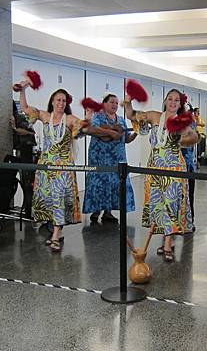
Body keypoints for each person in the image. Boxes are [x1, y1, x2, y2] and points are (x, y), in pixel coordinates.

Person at [123, 88, 199, 262]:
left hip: (174, 168)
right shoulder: (154, 116)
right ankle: (168, 239)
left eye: (176, 100)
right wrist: (128, 103)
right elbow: (132, 116)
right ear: (165, 101)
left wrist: (184, 139)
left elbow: (194, 137)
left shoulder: (181, 121)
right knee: (158, 204)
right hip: (155, 166)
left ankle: (166, 244)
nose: (173, 102)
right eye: (170, 99)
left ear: (180, 104)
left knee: (171, 204)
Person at [16, 82, 86, 252]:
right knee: (49, 200)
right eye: (58, 100)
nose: (61, 103)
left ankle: (55, 234)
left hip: (63, 167)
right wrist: (23, 90)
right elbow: (24, 108)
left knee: (59, 199)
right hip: (46, 166)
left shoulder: (69, 119)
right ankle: (57, 231)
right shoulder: (45, 116)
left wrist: (87, 118)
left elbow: (83, 128)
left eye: (64, 101)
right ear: (53, 101)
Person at [83, 93, 137, 224]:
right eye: (112, 102)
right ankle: (96, 210)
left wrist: (137, 132)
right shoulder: (98, 117)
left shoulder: (122, 120)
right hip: (100, 159)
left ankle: (108, 212)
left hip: (117, 160)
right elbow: (91, 130)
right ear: (104, 104)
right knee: (99, 183)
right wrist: (109, 132)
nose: (115, 105)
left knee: (115, 184)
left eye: (117, 103)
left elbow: (126, 139)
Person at [12, 101, 37, 217]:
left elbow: (30, 133)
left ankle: (28, 212)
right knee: (25, 183)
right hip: (22, 152)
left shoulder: (19, 117)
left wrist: (14, 128)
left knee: (27, 183)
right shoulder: (17, 117)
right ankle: (27, 210)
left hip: (26, 152)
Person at [181, 105, 197, 224]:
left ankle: (189, 219)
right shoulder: (170, 121)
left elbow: (191, 140)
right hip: (174, 164)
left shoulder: (191, 123)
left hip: (189, 164)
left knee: (189, 193)